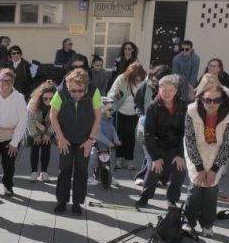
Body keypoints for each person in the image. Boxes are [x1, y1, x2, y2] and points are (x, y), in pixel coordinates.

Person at [181, 77, 229, 236]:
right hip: (196, 150)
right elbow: (189, 140)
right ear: (201, 99)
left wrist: (214, 168)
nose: (212, 104)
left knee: (211, 188)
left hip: (217, 151)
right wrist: (199, 168)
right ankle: (188, 223)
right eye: (207, 100)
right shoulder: (191, 111)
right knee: (196, 186)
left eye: (216, 100)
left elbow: (228, 143)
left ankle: (207, 224)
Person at [49, 68, 102, 215]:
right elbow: (53, 116)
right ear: (67, 86)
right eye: (73, 91)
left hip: (85, 138)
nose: (76, 94)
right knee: (64, 169)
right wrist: (60, 138)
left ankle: (77, 203)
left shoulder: (94, 92)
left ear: (86, 86)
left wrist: (90, 140)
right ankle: (61, 200)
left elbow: (98, 117)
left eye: (80, 91)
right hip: (66, 137)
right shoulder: (61, 92)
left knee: (81, 170)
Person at [135, 74, 188, 208]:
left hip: (177, 145)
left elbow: (186, 132)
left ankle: (172, 199)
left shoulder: (183, 106)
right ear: (159, 89)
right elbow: (149, 134)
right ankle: (145, 196)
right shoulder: (152, 107)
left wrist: (181, 154)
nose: (167, 93)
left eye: (170, 90)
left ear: (176, 91)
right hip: (157, 144)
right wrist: (156, 157)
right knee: (154, 169)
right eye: (164, 90)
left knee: (179, 171)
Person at [0, 67, 28, 197]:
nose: (5, 83)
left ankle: (8, 186)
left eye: (9, 81)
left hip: (11, 135)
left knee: (9, 164)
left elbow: (23, 121)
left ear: (13, 82)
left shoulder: (19, 98)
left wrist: (15, 143)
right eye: (2, 80)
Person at [107, 62, 146, 170]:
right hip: (120, 109)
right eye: (135, 79)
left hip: (134, 111)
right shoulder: (122, 78)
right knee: (119, 134)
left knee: (130, 135)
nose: (137, 81)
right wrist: (115, 94)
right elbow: (110, 94)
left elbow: (147, 95)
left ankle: (129, 160)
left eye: (139, 79)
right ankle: (119, 158)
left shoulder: (144, 80)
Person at [27, 81, 55, 182]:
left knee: (46, 146)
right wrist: (34, 135)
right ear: (40, 97)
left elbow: (56, 119)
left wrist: (49, 134)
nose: (48, 101)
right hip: (35, 126)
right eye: (45, 98)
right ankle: (34, 172)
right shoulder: (33, 102)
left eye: (51, 98)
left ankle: (44, 172)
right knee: (35, 146)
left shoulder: (57, 103)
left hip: (48, 126)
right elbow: (28, 119)